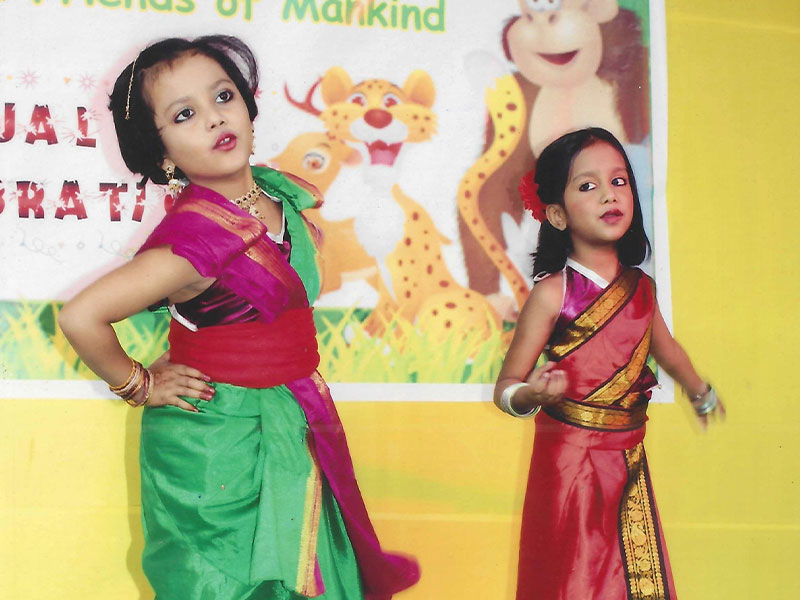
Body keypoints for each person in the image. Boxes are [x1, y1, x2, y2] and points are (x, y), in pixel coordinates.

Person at [58, 35, 419, 600]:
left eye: (223, 96)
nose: (214, 118)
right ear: (162, 153)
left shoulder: (281, 199)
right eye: (184, 114)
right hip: (216, 446)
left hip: (293, 414)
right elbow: (82, 317)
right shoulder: (191, 242)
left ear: (248, 106)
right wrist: (139, 384)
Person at [493, 127, 724, 599]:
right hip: (569, 464)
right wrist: (532, 393)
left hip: (626, 455)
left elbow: (667, 350)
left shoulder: (641, 289)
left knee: (628, 574)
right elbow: (506, 387)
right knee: (574, 575)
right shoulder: (553, 293)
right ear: (557, 214)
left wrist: (700, 391)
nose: (608, 195)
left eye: (619, 181)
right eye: (587, 185)